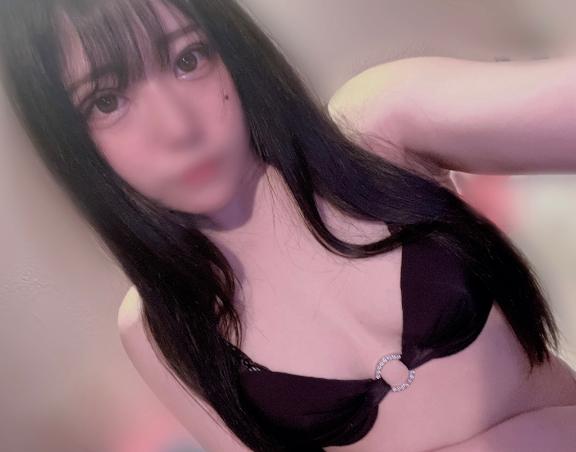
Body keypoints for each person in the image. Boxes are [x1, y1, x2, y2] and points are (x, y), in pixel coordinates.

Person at [1, 0, 576, 450]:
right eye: (106, 101)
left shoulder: (378, 131)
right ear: (71, 142)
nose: (178, 128)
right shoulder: (159, 326)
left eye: (188, 59)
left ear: (232, 51)